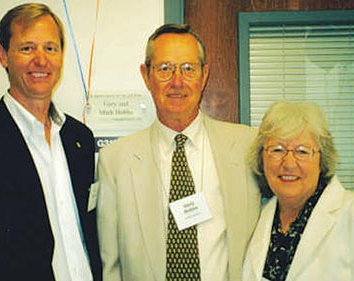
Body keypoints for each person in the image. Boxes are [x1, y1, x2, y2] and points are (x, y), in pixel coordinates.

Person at [96, 24, 261, 281]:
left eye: (188, 69)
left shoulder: (247, 146)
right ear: (146, 75)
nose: (177, 82)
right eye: (164, 69)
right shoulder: (115, 161)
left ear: (204, 75)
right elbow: (111, 265)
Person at [0, 3, 101, 280]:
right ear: (3, 55)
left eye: (50, 48)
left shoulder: (79, 139)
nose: (41, 61)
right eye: (27, 48)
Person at [243, 100, 354, 281]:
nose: (288, 163)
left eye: (302, 152)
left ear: (322, 159)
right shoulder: (259, 214)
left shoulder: (349, 213)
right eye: (277, 150)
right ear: (261, 158)